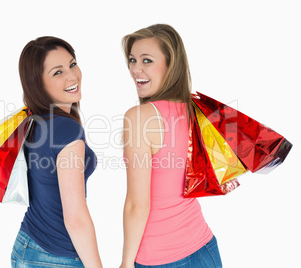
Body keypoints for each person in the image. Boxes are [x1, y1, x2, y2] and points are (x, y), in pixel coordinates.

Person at [119, 24, 223, 268]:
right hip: (205, 248)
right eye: (133, 60)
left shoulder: (139, 117)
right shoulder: (194, 109)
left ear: (171, 65)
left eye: (147, 60)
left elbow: (138, 204)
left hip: (161, 259)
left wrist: (125, 263)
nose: (136, 69)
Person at [11, 36, 103, 268]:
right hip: (56, 257)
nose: (72, 76)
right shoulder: (66, 129)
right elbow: (76, 219)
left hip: (26, 245)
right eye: (57, 72)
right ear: (38, 83)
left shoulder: (32, 121)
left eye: (72, 64)